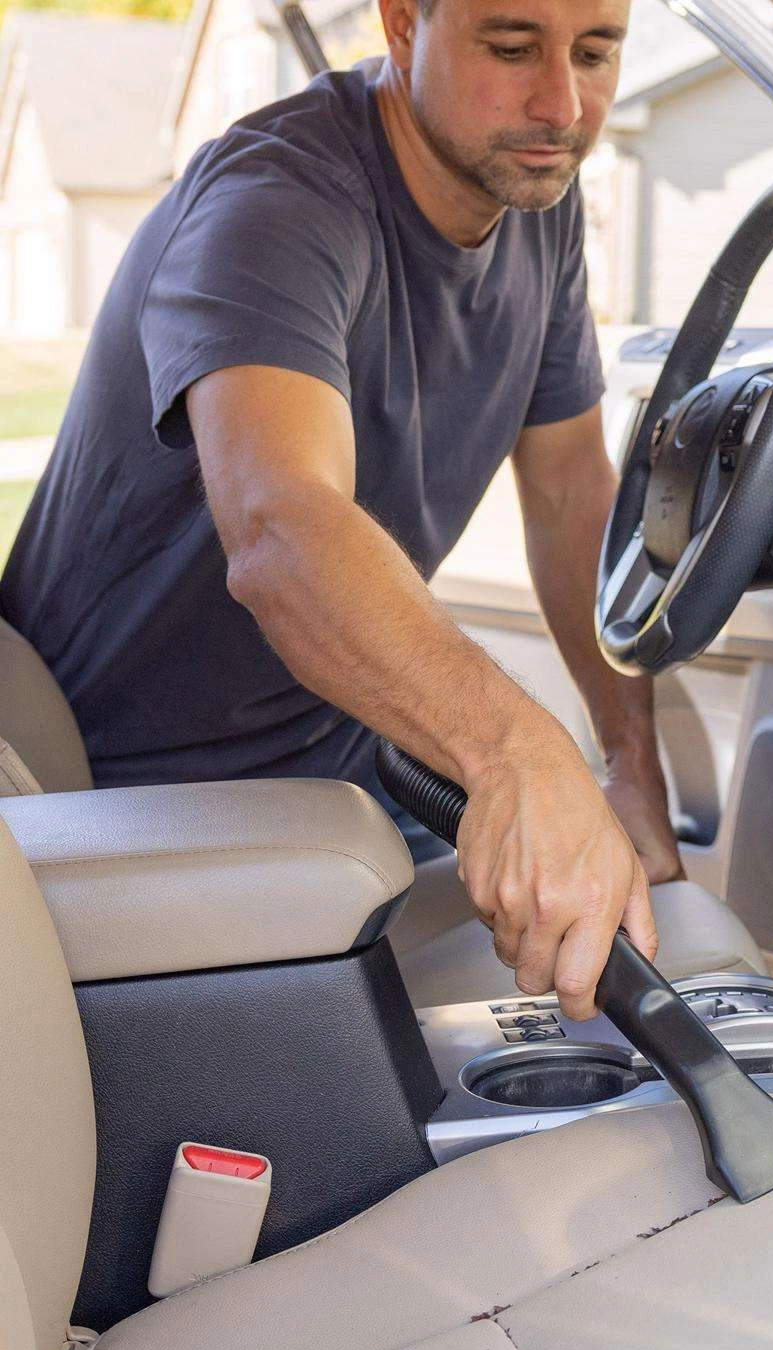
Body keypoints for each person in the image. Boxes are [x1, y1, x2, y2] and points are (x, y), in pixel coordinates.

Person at [0, 0, 675, 1020]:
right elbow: (282, 530)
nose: (563, 105)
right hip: (141, 813)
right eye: (511, 47)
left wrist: (631, 770)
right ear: (403, 24)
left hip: (352, 785)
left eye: (595, 52)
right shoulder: (278, 200)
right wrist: (516, 753)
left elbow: (572, 490)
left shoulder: (533, 190)